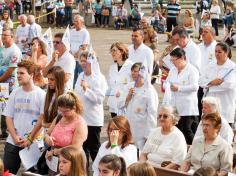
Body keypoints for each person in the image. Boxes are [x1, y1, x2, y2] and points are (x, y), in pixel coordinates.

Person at [2, 60, 46, 175]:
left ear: (31, 75)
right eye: (17, 73)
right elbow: (8, 117)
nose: (18, 76)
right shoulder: (15, 93)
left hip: (34, 144)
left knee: (34, 174)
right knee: (7, 173)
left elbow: (42, 120)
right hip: (13, 142)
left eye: (22, 73)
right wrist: (14, 136)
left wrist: (30, 139)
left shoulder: (41, 95)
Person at [74, 51, 107, 167]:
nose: (83, 64)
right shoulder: (80, 76)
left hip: (93, 120)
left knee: (94, 149)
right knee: (82, 150)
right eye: (81, 61)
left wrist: (87, 90)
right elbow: (76, 94)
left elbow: (99, 99)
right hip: (81, 119)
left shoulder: (99, 78)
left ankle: (101, 171)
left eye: (86, 61)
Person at [44, 92, 88, 173]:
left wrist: (54, 152)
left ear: (74, 108)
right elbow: (47, 133)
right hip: (55, 159)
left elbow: (75, 147)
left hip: (72, 160)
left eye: (66, 111)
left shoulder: (80, 123)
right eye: (61, 110)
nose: (63, 114)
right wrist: (47, 139)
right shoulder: (59, 117)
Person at [24, 66, 66, 147]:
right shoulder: (48, 94)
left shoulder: (65, 96)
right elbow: (41, 118)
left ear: (59, 80)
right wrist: (30, 138)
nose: (49, 82)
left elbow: (63, 122)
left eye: (52, 79)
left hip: (60, 140)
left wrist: (46, 125)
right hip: (47, 138)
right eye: (48, 79)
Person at [164, 47, 199, 145]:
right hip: (175, 106)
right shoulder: (173, 70)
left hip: (187, 107)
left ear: (181, 58)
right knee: (176, 131)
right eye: (171, 60)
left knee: (187, 131)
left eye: (173, 60)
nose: (172, 63)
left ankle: (193, 149)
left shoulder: (192, 70)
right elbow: (167, 82)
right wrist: (166, 85)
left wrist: (179, 88)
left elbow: (195, 87)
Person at [199, 42, 236, 124]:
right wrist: (212, 82)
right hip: (210, 105)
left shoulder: (232, 67)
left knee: (225, 132)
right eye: (215, 51)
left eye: (219, 52)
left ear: (226, 53)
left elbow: (229, 84)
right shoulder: (210, 65)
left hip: (225, 104)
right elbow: (200, 80)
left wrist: (209, 85)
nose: (216, 54)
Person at [140, 105, 187, 169]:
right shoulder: (154, 132)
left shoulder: (178, 137)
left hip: (164, 171)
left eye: (165, 116)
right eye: (159, 116)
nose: (161, 118)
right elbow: (143, 154)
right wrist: (143, 168)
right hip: (147, 169)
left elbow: (177, 163)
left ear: (174, 119)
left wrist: (162, 171)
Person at [124, 63, 158, 150]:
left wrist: (149, 134)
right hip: (129, 127)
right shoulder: (129, 86)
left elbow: (152, 113)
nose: (133, 73)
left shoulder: (149, 90)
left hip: (142, 131)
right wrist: (128, 97)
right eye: (132, 71)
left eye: (136, 71)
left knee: (140, 156)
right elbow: (119, 105)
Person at [0, 27, 22, 139]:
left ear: (12, 37)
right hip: (1, 82)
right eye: (2, 35)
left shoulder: (15, 51)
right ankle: (3, 131)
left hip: (8, 82)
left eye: (5, 35)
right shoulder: (2, 48)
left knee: (7, 107)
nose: (3, 37)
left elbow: (11, 70)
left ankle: (8, 131)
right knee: (2, 106)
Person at [107, 42, 133, 117]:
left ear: (122, 51)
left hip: (126, 104)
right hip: (113, 103)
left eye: (114, 50)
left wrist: (123, 93)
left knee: (124, 127)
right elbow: (111, 86)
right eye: (111, 51)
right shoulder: (112, 67)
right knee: (115, 128)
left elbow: (134, 85)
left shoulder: (131, 66)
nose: (112, 53)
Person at [198, 26, 217, 117]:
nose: (203, 33)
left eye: (206, 32)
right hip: (198, 83)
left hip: (211, 84)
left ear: (212, 34)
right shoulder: (198, 47)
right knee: (198, 109)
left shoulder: (217, 48)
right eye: (202, 31)